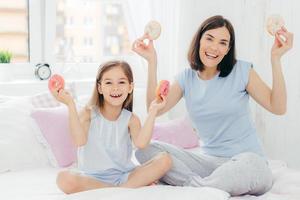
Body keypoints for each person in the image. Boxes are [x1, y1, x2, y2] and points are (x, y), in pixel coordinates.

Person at [132, 15, 293, 196]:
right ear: (199, 39)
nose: (214, 47)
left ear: (228, 49)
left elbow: (278, 107)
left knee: (250, 163)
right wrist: (152, 61)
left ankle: (195, 187)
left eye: (223, 43)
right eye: (209, 38)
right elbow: (153, 108)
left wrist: (276, 59)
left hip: (247, 162)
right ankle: (203, 187)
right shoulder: (187, 78)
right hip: (208, 164)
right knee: (145, 149)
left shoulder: (242, 70)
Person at [52, 60, 172, 194]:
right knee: (63, 179)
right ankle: (122, 190)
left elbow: (141, 143)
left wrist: (153, 111)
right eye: (108, 83)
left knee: (165, 159)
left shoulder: (131, 119)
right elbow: (79, 141)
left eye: (121, 82)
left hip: (123, 176)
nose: (115, 88)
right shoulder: (88, 113)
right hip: (92, 178)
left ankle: (118, 189)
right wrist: (70, 105)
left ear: (130, 87)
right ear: (100, 88)